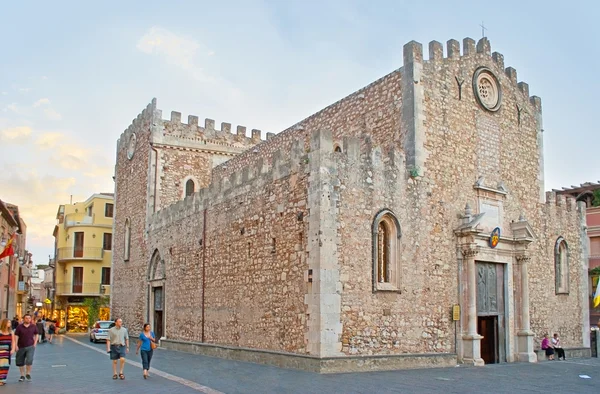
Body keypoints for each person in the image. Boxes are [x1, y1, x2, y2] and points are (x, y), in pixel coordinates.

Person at [14, 314, 39, 382]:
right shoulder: (19, 327)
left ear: (31, 319)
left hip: (30, 346)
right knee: (20, 361)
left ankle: (28, 373)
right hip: (20, 346)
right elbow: (16, 336)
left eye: (29, 318)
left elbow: (37, 334)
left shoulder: (33, 326)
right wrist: (15, 345)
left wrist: (35, 343)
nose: (28, 319)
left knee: (29, 360)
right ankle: (22, 375)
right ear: (23, 319)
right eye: (26, 318)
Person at [0, 319, 15, 386]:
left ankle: (2, 380)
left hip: (7, 351)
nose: (10, 323)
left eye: (10, 322)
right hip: (0, 351)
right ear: (5, 323)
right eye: (8, 322)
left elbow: (13, 342)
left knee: (5, 366)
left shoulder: (11, 332)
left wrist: (13, 349)